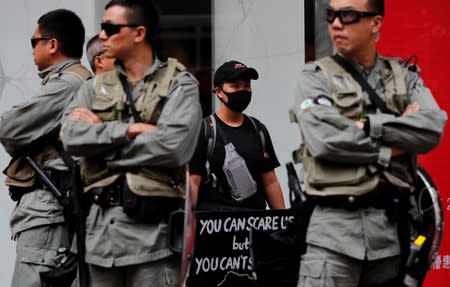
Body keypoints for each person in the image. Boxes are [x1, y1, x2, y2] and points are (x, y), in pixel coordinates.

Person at [290, 0, 447, 286]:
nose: (336, 24)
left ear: (375, 23)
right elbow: (325, 139)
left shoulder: (406, 78)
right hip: (333, 237)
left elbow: (432, 128)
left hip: (392, 238)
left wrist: (366, 125)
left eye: (348, 15)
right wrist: (396, 143)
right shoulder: (315, 77)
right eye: (331, 15)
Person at [60, 0, 202, 286]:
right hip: (98, 238)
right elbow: (70, 137)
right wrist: (131, 130)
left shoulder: (180, 84)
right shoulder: (93, 87)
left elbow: (174, 147)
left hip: (154, 241)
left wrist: (101, 143)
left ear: (139, 33)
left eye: (110, 28)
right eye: (102, 28)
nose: (102, 35)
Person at [0, 9, 91, 287]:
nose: (31, 50)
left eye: (34, 41)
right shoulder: (72, 81)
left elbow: (8, 128)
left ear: (53, 44)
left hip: (48, 216)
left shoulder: (68, 84)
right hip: (53, 213)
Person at [189, 60, 285, 211]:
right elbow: (193, 183)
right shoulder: (204, 130)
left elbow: (270, 182)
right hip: (215, 227)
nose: (243, 90)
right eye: (235, 86)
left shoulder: (258, 130)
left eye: (247, 85)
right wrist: (187, 226)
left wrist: (284, 224)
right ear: (219, 91)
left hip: (256, 227)